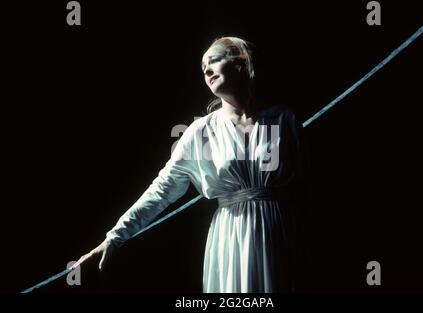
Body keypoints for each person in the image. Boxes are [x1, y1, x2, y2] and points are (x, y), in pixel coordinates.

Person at [74, 36, 307, 293]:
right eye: (202, 67)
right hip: (231, 236)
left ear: (241, 62)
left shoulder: (284, 118)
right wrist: (114, 238)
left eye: (214, 61)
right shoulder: (201, 131)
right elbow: (162, 189)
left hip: (279, 229)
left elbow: (307, 183)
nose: (206, 70)